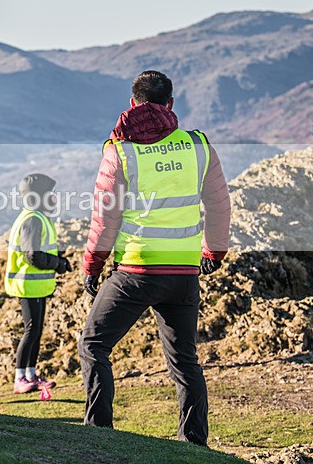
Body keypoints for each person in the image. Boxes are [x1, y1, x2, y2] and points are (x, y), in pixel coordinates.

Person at [79, 70, 231, 446]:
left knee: (93, 345)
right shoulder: (198, 146)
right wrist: (214, 252)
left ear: (133, 103)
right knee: (185, 360)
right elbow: (219, 205)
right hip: (184, 273)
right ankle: (194, 442)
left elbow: (105, 217)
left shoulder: (120, 151)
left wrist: (92, 266)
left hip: (136, 270)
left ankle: (99, 433)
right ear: (171, 103)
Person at [5, 174, 72, 394]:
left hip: (36, 285)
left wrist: (58, 259)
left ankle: (31, 375)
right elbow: (32, 255)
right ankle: (20, 379)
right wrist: (58, 264)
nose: (53, 198)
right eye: (49, 194)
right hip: (28, 285)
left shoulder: (37, 217)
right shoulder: (33, 219)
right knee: (31, 331)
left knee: (36, 331)